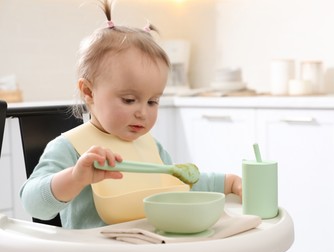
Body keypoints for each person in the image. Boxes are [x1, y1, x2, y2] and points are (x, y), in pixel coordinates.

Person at [20, 0, 242, 229]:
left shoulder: (151, 147)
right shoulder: (70, 147)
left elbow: (181, 182)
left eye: (153, 101)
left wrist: (229, 182)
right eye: (128, 100)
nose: (143, 113)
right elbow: (33, 204)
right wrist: (75, 178)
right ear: (88, 92)